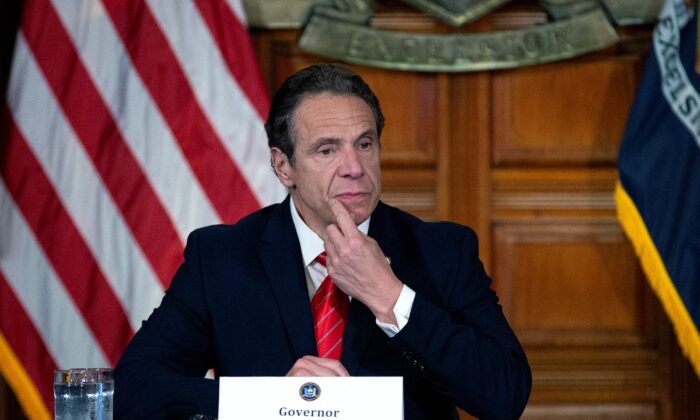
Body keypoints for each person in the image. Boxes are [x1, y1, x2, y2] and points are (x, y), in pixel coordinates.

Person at [114, 63, 531, 419]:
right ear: (283, 166)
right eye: (327, 150)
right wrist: (277, 403)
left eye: (364, 144)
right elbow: (133, 390)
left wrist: (392, 298)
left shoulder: (443, 252)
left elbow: (504, 395)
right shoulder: (222, 258)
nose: (354, 167)